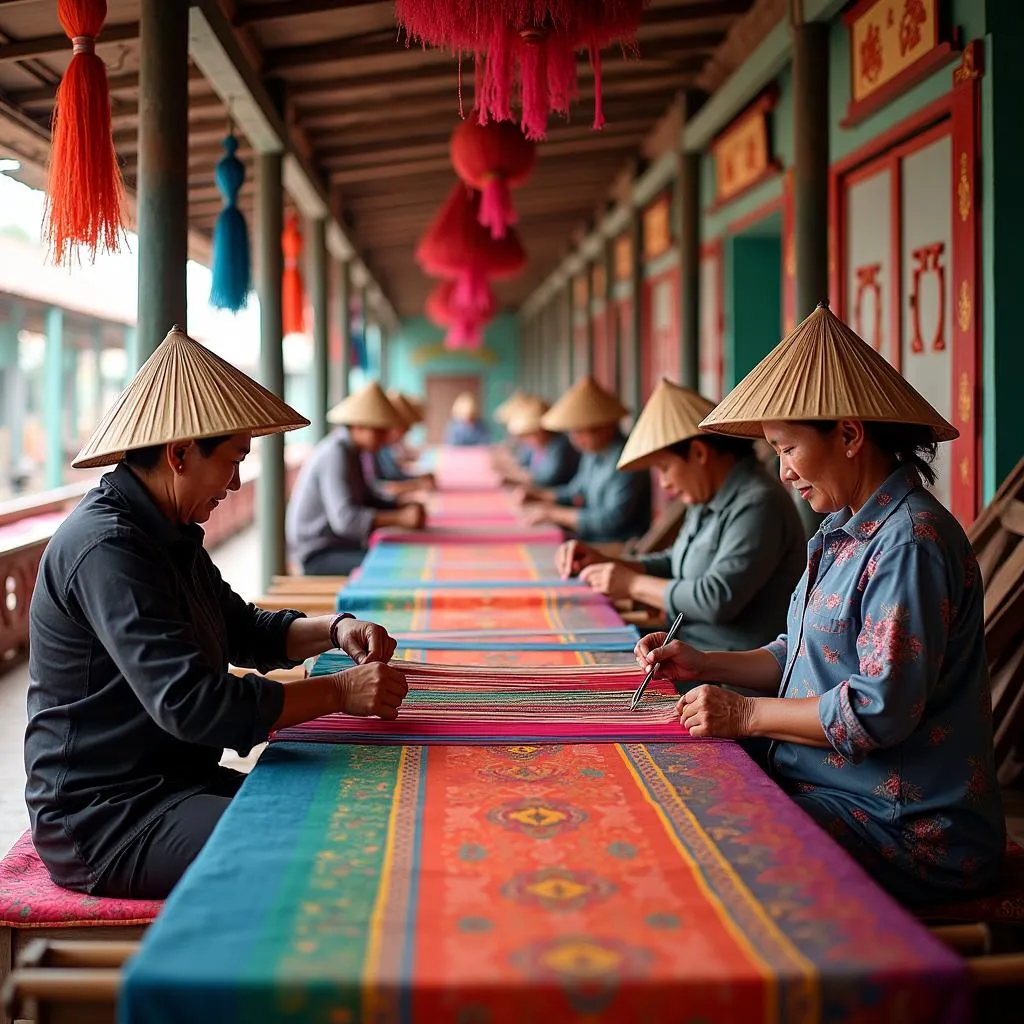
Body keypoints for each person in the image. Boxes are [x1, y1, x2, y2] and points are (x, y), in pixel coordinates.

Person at [635, 304, 1005, 906]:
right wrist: (705, 664)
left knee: (702, 850)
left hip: (902, 827)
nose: (783, 473)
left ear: (851, 435)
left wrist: (746, 716)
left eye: (787, 448)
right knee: (670, 793)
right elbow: (799, 654)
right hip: (829, 787)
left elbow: (877, 711)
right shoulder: (842, 531)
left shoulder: (908, 544)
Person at [26, 326, 409, 901]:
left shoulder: (168, 532)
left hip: (176, 781)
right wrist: (339, 694)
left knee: (354, 808)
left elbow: (242, 629)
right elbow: (192, 704)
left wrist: (335, 629)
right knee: (331, 848)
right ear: (180, 454)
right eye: (232, 462)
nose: (234, 483)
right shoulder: (109, 548)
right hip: (109, 817)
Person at [558, 378, 805, 653]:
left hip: (724, 675)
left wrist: (632, 584)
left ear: (699, 453)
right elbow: (676, 562)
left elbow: (716, 599)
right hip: (687, 651)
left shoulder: (760, 504)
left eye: (664, 467)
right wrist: (611, 563)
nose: (663, 483)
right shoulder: (705, 496)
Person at [287, 382, 427, 575]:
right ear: (358, 426)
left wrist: (400, 505)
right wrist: (399, 518)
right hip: (318, 554)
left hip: (339, 546)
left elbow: (367, 497)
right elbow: (346, 520)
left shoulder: (352, 452)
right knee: (398, 565)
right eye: (379, 430)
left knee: (404, 554)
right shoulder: (334, 455)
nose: (385, 437)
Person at [517, 376, 651, 544]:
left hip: (618, 546)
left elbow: (612, 519)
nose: (574, 439)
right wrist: (539, 496)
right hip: (589, 537)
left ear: (605, 427)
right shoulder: (593, 454)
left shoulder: (628, 459)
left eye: (580, 431)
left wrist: (555, 514)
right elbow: (577, 491)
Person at [499, 397, 580, 489]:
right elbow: (524, 463)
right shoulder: (540, 447)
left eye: (531, 434)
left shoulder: (561, 446)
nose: (527, 440)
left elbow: (549, 478)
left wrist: (517, 477)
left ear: (543, 430)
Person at [371, 390, 436, 496]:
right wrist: (416, 485)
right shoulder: (371, 450)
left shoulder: (384, 448)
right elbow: (376, 489)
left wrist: (417, 480)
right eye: (404, 429)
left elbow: (393, 474)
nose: (405, 434)